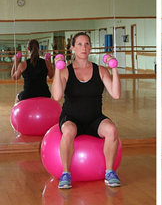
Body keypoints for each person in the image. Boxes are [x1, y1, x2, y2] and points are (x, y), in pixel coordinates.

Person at [51, 32, 121, 189]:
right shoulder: (66, 71)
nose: (84, 47)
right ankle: (66, 173)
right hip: (71, 117)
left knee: (112, 130)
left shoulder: (101, 71)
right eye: (80, 44)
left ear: (91, 47)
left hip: (94, 118)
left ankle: (109, 172)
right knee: (68, 132)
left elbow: (116, 94)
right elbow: (57, 96)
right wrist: (57, 69)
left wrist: (114, 69)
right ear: (72, 48)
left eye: (87, 44)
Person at [11, 39, 54, 104]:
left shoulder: (23, 64)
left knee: (17, 97)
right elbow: (51, 76)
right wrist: (49, 62)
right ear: (39, 48)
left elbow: (14, 77)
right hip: (45, 93)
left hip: (28, 94)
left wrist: (15, 62)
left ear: (28, 49)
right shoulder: (46, 63)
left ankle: (15, 114)